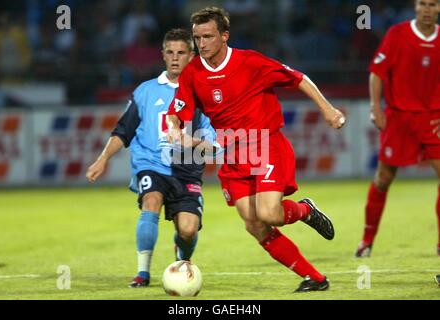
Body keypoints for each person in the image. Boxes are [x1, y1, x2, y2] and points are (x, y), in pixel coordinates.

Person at [166, 7, 346, 292]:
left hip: (265, 144)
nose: (201, 44)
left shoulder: (250, 62)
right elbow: (177, 110)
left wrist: (328, 109)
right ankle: (314, 278)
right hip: (232, 153)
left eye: (208, 36)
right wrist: (175, 130)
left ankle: (305, 211)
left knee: (270, 214)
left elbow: (298, 77)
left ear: (224, 36)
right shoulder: (193, 73)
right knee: (254, 224)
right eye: (197, 37)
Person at [86, 28, 219, 287]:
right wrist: (103, 159)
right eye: (170, 52)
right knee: (152, 200)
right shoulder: (145, 92)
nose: (175, 58)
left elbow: (214, 141)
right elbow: (123, 131)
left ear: (192, 56)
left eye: (181, 52)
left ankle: (182, 258)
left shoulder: (204, 93)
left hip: (187, 170)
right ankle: (142, 273)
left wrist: (195, 143)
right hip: (151, 164)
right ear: (163, 55)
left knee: (188, 230)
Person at [356, 0, 440, 258]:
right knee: (383, 179)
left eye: (433, 4)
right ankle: (367, 240)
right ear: (416, 6)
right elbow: (377, 73)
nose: (427, 9)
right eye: (423, 4)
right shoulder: (398, 34)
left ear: (438, 8)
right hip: (400, 117)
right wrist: (375, 108)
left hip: (434, 119)